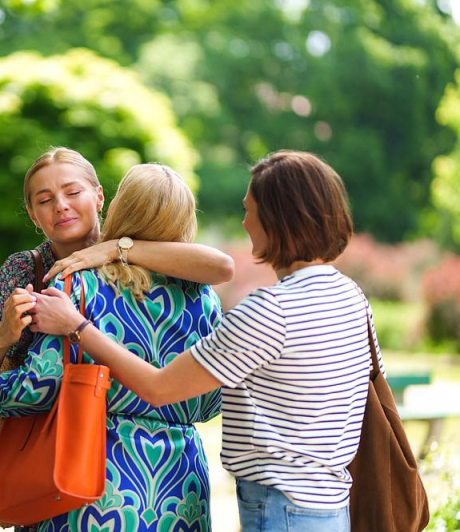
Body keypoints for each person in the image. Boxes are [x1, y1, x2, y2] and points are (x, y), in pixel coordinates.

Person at [32, 150, 376, 532]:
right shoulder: (350, 296)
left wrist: (77, 326)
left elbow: (160, 388)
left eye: (250, 210)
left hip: (280, 507)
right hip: (328, 505)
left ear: (276, 221)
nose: (244, 223)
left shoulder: (269, 311)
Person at [0, 163, 225, 531]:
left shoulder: (82, 285)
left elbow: (41, 385)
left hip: (96, 484)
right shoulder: (205, 301)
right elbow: (211, 402)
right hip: (182, 488)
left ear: (119, 207)